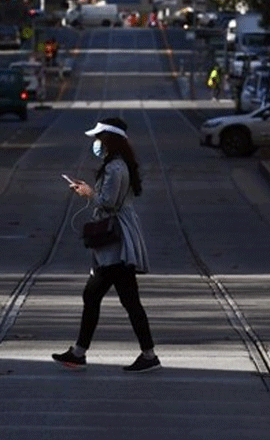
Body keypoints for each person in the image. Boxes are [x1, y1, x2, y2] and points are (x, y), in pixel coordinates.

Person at [52, 117, 159, 373]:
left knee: (96, 294)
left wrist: (88, 192)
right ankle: (147, 354)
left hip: (116, 243)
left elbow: (108, 202)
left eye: (99, 138)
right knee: (125, 300)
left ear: (109, 140)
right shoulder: (122, 165)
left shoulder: (114, 168)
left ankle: (82, 352)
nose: (96, 143)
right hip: (119, 241)